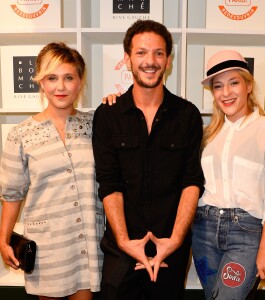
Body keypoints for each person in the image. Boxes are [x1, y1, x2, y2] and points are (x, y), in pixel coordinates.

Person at [92, 19, 205, 300]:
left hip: (171, 248)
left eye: (158, 53)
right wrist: (125, 242)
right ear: (128, 59)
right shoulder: (108, 115)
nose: (150, 61)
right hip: (122, 249)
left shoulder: (188, 115)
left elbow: (191, 182)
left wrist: (175, 241)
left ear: (168, 59)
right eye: (141, 53)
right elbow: (109, 183)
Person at [0, 42, 104, 300]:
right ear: (41, 83)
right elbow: (12, 195)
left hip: (88, 243)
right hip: (48, 245)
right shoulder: (20, 134)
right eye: (52, 78)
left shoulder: (97, 125)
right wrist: (3, 241)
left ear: (80, 81)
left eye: (69, 77)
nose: (61, 86)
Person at [191, 49, 265, 299]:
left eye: (233, 83)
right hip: (203, 230)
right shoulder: (208, 135)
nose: (226, 93)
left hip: (245, 234)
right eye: (218, 86)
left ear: (248, 85)